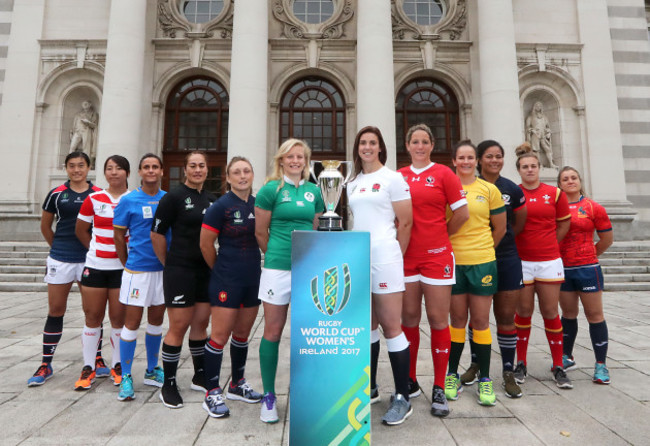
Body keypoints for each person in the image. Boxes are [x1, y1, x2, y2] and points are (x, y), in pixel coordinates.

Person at [397, 124, 468, 417]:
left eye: (425, 141)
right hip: (406, 258)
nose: (420, 146)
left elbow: (461, 213)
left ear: (432, 145)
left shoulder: (444, 174)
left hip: (437, 257)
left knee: (439, 320)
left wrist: (439, 237)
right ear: (408, 145)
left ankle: (439, 386)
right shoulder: (398, 176)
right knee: (409, 318)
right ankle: (410, 381)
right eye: (415, 141)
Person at [347, 126, 413, 425]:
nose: (367, 147)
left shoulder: (393, 178)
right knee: (367, 325)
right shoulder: (352, 181)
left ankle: (402, 396)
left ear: (381, 148)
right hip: (359, 257)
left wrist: (393, 254)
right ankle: (370, 387)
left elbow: (406, 222)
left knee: (391, 326)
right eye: (363, 143)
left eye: (373, 143)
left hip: (385, 257)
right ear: (357, 148)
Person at [255, 139, 324, 423]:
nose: (295, 161)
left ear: (306, 161)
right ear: (281, 160)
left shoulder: (314, 191)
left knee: (309, 332)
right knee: (273, 330)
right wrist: (277, 255)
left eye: (300, 157)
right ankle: (269, 396)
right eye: (290, 156)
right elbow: (261, 232)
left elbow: (316, 226)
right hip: (278, 268)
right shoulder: (271, 189)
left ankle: (306, 394)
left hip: (307, 269)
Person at [27, 152, 102, 387]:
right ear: (66, 168)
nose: (76, 170)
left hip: (89, 259)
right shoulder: (56, 194)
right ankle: (46, 363)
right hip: (60, 258)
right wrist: (57, 248)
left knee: (93, 312)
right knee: (56, 309)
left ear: (89, 168)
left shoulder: (98, 194)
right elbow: (45, 225)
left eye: (81, 165)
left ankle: (97, 359)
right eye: (72, 166)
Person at [460, 140, 528, 399]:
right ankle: (476, 364)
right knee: (476, 318)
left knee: (506, 319)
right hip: (475, 260)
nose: (494, 160)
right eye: (489, 156)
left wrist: (495, 245)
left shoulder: (511, 188)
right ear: (478, 159)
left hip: (506, 258)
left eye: (499, 156)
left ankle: (508, 372)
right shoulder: (467, 186)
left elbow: (518, 223)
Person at [200, 156, 263, 418]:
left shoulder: (258, 204)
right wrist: (221, 270)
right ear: (228, 178)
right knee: (220, 335)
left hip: (253, 277)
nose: (242, 176)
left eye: (246, 171)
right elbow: (206, 244)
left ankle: (237, 384)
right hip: (226, 277)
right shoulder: (221, 206)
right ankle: (212, 391)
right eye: (236, 172)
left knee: (242, 334)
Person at [151, 151, 215, 409]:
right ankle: (168, 383)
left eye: (201, 166)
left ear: (207, 170)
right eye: (192, 166)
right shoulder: (172, 197)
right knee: (178, 326)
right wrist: (169, 264)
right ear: (185, 169)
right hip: (180, 269)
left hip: (205, 271)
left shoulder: (212, 199)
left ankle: (200, 376)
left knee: (201, 324)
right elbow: (156, 234)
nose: (197, 169)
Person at [444, 140, 506, 407]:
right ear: (454, 161)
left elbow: (500, 228)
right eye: (462, 158)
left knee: (480, 321)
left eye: (471, 157)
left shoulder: (489, 189)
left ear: (476, 161)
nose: (466, 162)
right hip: (454, 261)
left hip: (482, 261)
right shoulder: (447, 186)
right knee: (457, 320)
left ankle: (485, 379)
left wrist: (482, 250)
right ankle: (450, 375)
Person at [513, 142, 572, 389]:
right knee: (523, 313)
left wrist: (550, 245)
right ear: (519, 170)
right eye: (525, 167)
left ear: (539, 168)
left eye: (533, 166)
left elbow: (564, 224)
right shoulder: (514, 193)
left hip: (549, 261)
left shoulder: (555, 194)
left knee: (550, 312)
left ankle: (558, 365)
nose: (529, 170)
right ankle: (521, 363)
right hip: (522, 262)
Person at [113, 153, 169, 401]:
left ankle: (151, 370)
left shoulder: (168, 199)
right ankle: (126, 375)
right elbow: (118, 236)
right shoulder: (129, 200)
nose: (151, 171)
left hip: (162, 270)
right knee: (132, 323)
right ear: (140, 171)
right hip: (138, 271)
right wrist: (127, 262)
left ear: (161, 171)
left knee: (156, 322)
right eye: (146, 167)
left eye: (155, 167)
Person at [73, 155, 130, 390]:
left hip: (121, 270)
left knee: (119, 319)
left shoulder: (133, 198)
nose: (113, 172)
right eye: (109, 168)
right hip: (96, 268)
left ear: (127, 172)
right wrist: (97, 251)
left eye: (118, 168)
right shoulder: (93, 199)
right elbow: (81, 230)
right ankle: (89, 367)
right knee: (92, 317)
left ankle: (117, 366)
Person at [557, 167, 613, 384]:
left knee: (595, 315)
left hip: (588, 269)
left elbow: (607, 239)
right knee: (568, 314)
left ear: (580, 181)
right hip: (563, 270)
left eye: (574, 178)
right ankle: (566, 357)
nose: (570, 181)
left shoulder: (593, 207)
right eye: (565, 179)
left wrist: (589, 255)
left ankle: (601, 365)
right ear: (560, 184)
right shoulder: (555, 208)